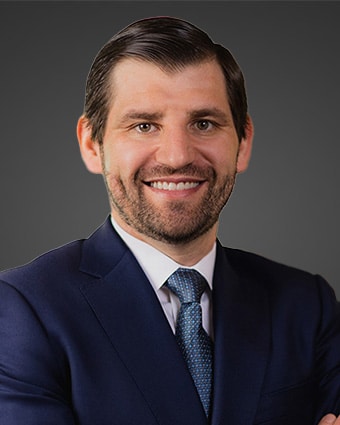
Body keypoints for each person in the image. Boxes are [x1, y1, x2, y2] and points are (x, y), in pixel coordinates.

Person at [0, 16, 339, 425]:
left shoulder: (307, 306)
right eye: (144, 125)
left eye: (203, 123)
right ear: (92, 145)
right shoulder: (23, 309)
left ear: (243, 143)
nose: (177, 156)